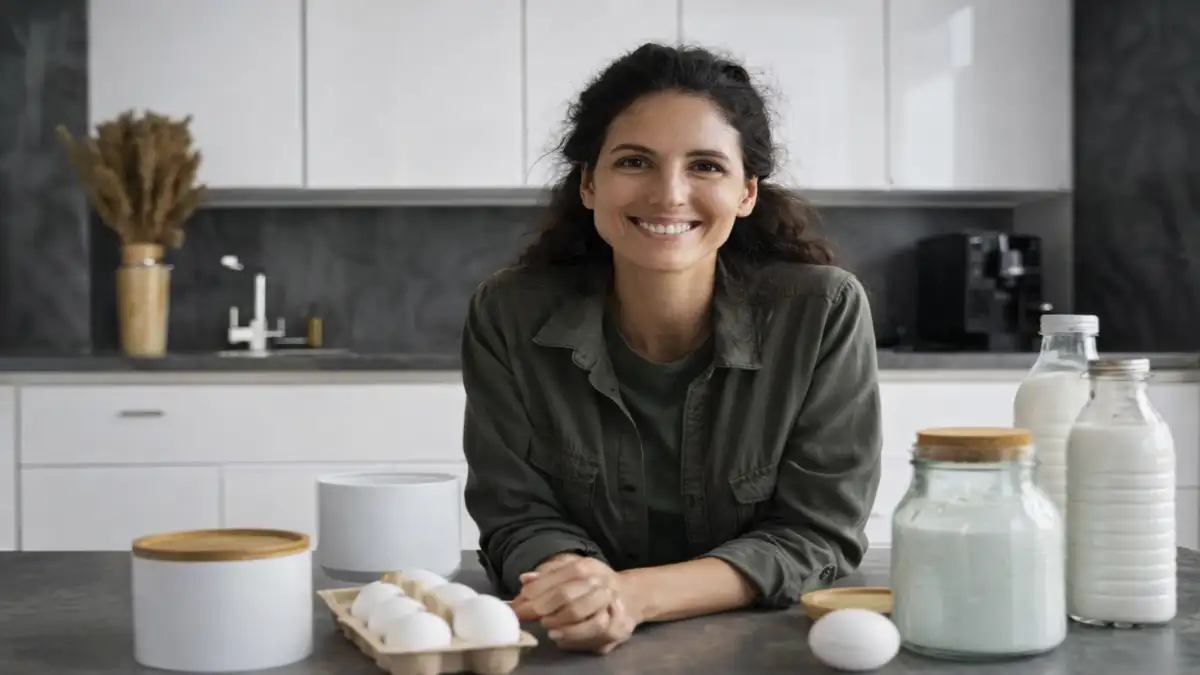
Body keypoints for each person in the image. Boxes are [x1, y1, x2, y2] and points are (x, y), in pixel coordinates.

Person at [460, 42, 882, 655]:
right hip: (573, 641)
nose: (669, 194)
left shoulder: (823, 311)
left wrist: (632, 595)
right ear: (588, 183)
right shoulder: (507, 314)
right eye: (635, 161)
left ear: (746, 193)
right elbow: (515, 515)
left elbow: (818, 533)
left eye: (706, 166)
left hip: (765, 646)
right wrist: (574, 586)